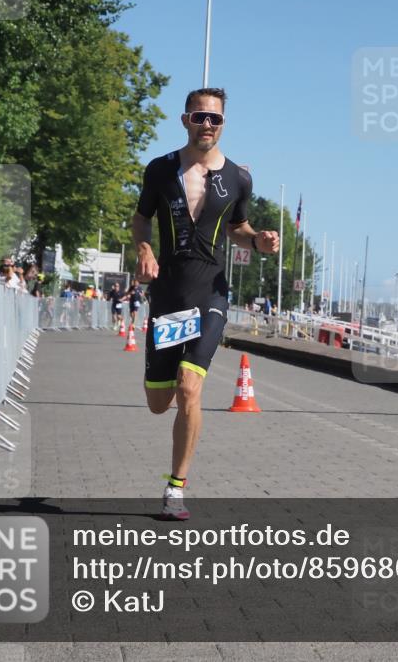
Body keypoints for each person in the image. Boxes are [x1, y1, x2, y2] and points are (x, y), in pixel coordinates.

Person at [133, 87, 279, 520]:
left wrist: (259, 240)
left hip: (210, 296)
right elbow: (142, 217)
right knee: (159, 402)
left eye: (215, 119)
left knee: (189, 387)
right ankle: (174, 402)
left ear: (223, 124)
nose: (207, 125)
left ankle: (175, 488)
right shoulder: (159, 170)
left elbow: (239, 228)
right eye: (200, 117)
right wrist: (143, 249)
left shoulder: (238, 177)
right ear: (185, 121)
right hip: (168, 296)